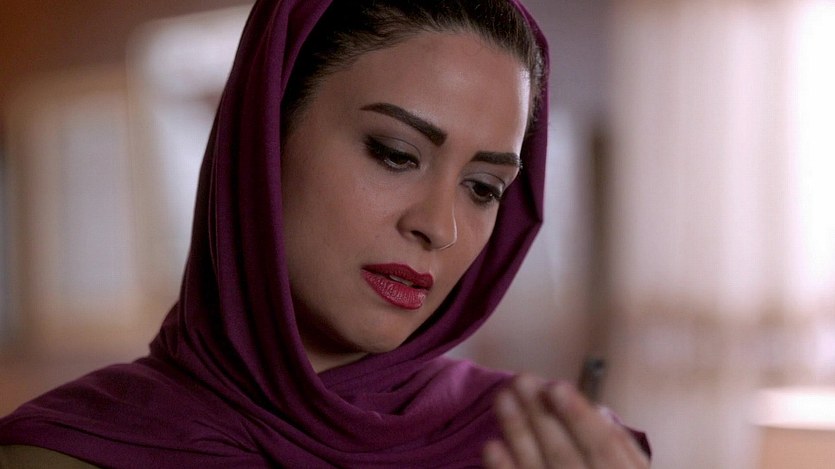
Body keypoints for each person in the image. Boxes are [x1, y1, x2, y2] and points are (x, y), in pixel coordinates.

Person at [0, 0, 650, 467]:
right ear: (264, 142)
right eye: (394, 153)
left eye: (483, 188)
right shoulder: (68, 451)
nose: (438, 226)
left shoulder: (543, 449)